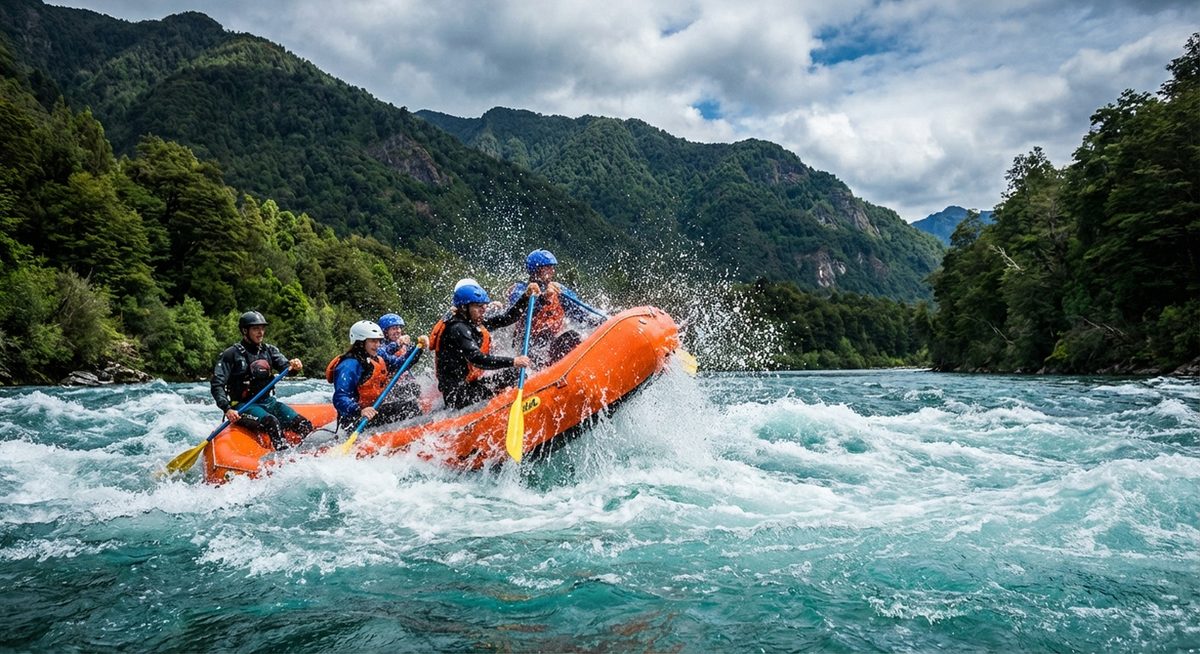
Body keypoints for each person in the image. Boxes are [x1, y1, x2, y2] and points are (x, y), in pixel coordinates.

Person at [211, 311, 311, 451]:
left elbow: (286, 368)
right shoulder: (231, 354)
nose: (261, 332)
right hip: (243, 406)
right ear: (245, 330)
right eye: (256, 328)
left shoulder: (269, 350)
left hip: (269, 403)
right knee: (272, 422)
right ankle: (282, 456)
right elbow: (217, 384)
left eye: (262, 328)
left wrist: (295, 366)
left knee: (304, 425)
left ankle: (307, 453)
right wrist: (227, 409)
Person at [430, 282, 536, 410]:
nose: (483, 310)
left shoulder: (472, 322)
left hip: (471, 385)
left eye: (484, 306)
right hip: (458, 396)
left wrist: (525, 297)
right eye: (478, 307)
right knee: (513, 369)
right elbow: (477, 359)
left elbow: (506, 319)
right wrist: (513, 361)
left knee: (516, 373)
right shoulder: (457, 329)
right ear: (464, 307)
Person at [507, 249, 603, 365]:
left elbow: (580, 314)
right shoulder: (521, 289)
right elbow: (519, 313)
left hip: (551, 342)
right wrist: (543, 298)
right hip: (528, 346)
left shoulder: (558, 290)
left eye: (552, 267)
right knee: (537, 353)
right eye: (547, 268)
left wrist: (601, 321)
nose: (552, 271)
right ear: (536, 270)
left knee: (572, 337)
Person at [326, 320, 424, 432]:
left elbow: (399, 366)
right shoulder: (349, 365)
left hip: (374, 410)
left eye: (378, 341)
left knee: (411, 402)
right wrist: (360, 410)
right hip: (356, 419)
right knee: (410, 407)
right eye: (373, 341)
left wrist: (417, 350)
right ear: (360, 342)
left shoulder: (377, 358)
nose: (377, 345)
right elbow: (340, 397)